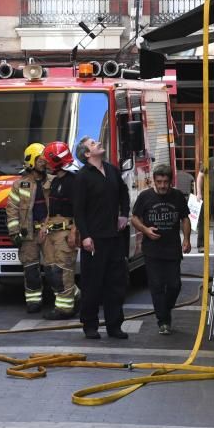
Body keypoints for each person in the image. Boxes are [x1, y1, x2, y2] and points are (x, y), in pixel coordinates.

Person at [73, 136, 130, 340]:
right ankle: (90, 325)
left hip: (114, 237)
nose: (98, 143)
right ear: (87, 154)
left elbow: (124, 193)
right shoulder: (82, 177)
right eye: (93, 144)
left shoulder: (112, 170)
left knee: (116, 283)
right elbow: (78, 210)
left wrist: (124, 213)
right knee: (93, 284)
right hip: (94, 240)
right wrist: (85, 236)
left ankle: (115, 325)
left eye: (97, 142)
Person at [131, 164, 192, 335]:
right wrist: (145, 230)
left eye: (166, 182)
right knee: (156, 285)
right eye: (159, 182)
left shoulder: (177, 196)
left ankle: (165, 310)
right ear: (154, 181)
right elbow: (134, 219)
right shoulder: (145, 197)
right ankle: (163, 321)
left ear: (171, 181)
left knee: (174, 285)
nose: (163, 185)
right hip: (152, 250)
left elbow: (185, 219)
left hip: (172, 249)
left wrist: (186, 239)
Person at [5, 143, 49, 313]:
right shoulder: (19, 185)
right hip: (28, 234)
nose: (43, 162)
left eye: (45, 159)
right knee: (31, 270)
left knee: (55, 269)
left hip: (49, 232)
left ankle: (71, 296)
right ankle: (33, 301)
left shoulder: (52, 181)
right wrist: (14, 232)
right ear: (30, 161)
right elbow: (12, 210)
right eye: (40, 159)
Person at [41, 141, 79, 320]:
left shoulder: (73, 182)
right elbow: (51, 209)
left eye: (48, 160)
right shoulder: (55, 181)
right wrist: (44, 227)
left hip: (66, 231)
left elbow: (81, 210)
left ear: (56, 161)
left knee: (62, 271)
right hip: (52, 231)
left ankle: (65, 309)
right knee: (50, 270)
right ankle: (75, 296)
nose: (46, 164)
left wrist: (74, 233)